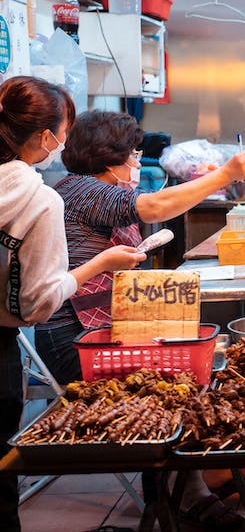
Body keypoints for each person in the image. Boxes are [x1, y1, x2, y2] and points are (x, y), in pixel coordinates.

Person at [0, 77, 146, 531]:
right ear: (46, 137)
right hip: (57, 337)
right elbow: (38, 302)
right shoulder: (51, 196)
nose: (137, 161)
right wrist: (99, 264)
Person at [35, 109, 245, 386]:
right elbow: (156, 206)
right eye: (132, 155)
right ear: (108, 158)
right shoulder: (83, 192)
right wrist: (225, 174)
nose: (137, 164)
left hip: (98, 331)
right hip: (73, 339)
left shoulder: (94, 189)